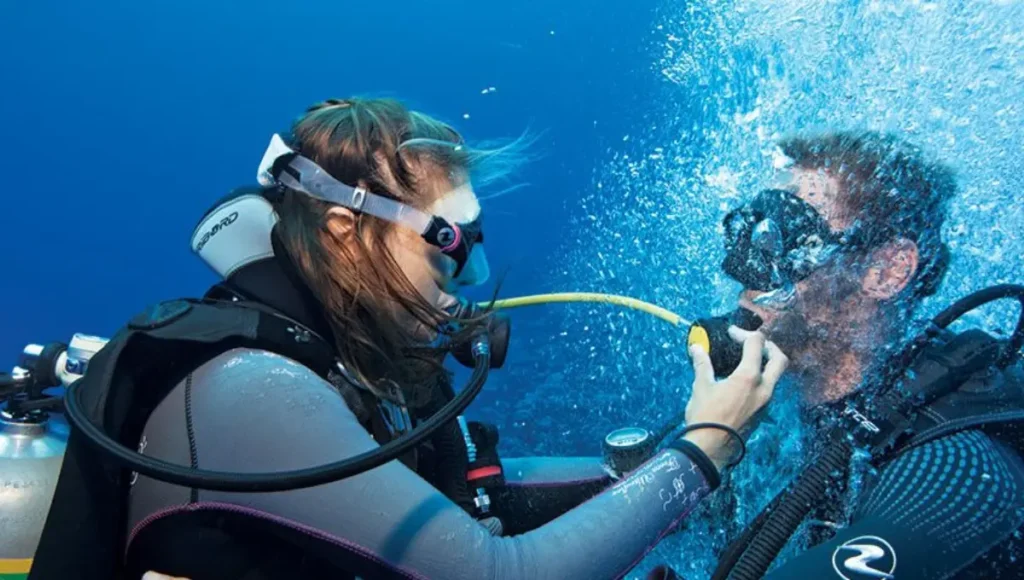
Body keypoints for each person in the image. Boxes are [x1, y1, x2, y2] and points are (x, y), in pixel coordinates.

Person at [28, 97, 788, 580]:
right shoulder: (252, 388)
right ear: (343, 232)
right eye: (448, 246)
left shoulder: (342, 365)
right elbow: (495, 576)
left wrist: (654, 465)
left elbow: (462, 495)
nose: (469, 276)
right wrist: (701, 452)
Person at [707, 131, 1024, 579]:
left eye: (786, 236)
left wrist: (693, 458)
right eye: (751, 233)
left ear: (887, 271)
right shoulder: (771, 413)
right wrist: (698, 454)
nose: (744, 268)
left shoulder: (956, 470)